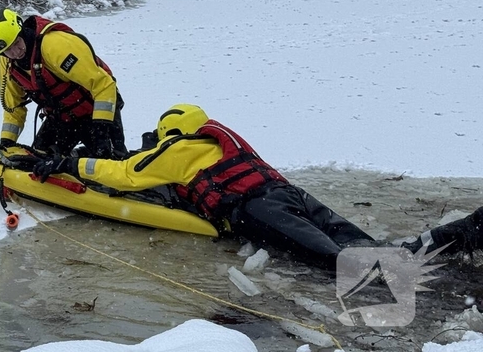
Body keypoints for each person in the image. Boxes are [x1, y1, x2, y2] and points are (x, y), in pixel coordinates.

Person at [32, 104, 483, 270]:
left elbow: (124, 174)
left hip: (257, 209)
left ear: (169, 131)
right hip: (292, 195)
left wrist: (70, 163)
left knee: (348, 266)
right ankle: (455, 238)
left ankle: (448, 246)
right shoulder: (223, 139)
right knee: (370, 247)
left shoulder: (177, 149)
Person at [0, 8, 128, 159]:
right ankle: (75, 157)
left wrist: (101, 129)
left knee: (110, 159)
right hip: (61, 117)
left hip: (95, 110)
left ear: (22, 31)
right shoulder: (8, 62)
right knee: (39, 159)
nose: (15, 52)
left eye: (17, 43)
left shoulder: (54, 45)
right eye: (7, 50)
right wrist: (7, 142)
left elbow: (103, 84)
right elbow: (13, 106)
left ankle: (99, 154)